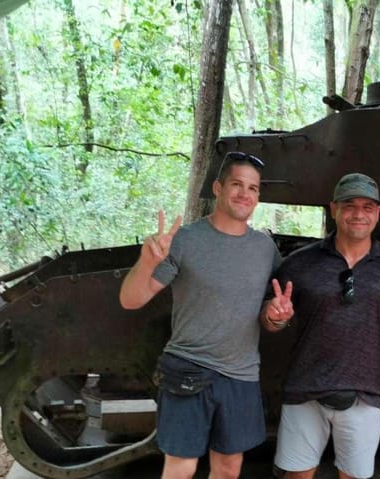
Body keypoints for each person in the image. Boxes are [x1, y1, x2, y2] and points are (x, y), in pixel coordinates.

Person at [118, 152, 281, 479]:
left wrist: (277, 315)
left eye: (252, 188)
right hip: (188, 369)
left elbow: (270, 311)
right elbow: (131, 299)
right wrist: (147, 262)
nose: (244, 194)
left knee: (229, 467)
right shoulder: (185, 240)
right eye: (237, 184)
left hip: (241, 374)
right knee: (180, 468)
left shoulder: (266, 249)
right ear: (218, 188)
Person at [267, 173, 380, 479]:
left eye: (368, 206)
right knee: (296, 475)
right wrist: (275, 315)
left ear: (378, 212)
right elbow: (271, 320)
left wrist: (366, 352)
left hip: (364, 394)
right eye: (349, 205)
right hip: (305, 389)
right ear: (333, 208)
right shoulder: (300, 263)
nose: (358, 213)